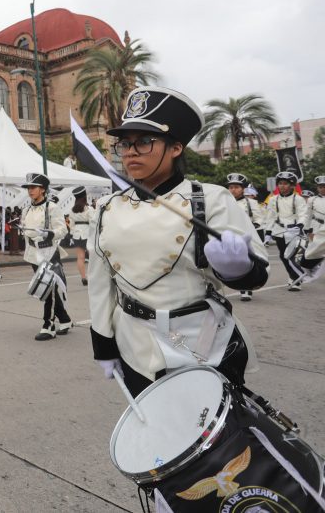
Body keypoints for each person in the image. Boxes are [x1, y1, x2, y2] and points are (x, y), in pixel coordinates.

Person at [88, 86, 269, 397]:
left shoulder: (209, 198)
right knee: (160, 438)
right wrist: (103, 345)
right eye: (125, 143)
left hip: (202, 341)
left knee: (217, 441)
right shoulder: (107, 208)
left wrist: (238, 270)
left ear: (175, 148)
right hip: (135, 344)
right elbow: (101, 282)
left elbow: (256, 273)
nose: (131, 152)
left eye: (144, 142)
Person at [21, 173, 71, 341]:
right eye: (28, 188)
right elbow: (26, 228)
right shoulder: (27, 208)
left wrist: (49, 234)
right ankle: (65, 319)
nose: (30, 191)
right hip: (34, 253)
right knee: (47, 288)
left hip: (49, 252)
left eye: (33, 187)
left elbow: (62, 230)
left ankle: (48, 325)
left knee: (48, 288)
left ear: (42, 189)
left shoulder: (52, 208)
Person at [264, 171, 309, 291]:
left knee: (293, 256)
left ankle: (296, 280)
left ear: (292, 186)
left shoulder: (298, 199)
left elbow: (303, 214)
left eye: (285, 184)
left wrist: (299, 225)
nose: (282, 186)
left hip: (293, 230)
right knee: (283, 256)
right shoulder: (273, 199)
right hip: (279, 231)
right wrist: (268, 233)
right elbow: (270, 217)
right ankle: (292, 276)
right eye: (280, 183)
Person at [226, 173, 265, 301]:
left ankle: (246, 289)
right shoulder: (224, 203)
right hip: (232, 236)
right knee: (237, 263)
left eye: (237, 187)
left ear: (243, 189)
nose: (233, 190)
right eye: (231, 187)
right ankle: (243, 286)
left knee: (249, 262)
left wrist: (254, 224)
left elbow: (259, 218)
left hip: (247, 236)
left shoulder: (251, 203)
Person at [67, 187, 93, 287]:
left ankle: (83, 277)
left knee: (80, 258)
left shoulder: (72, 210)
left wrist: (74, 232)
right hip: (88, 234)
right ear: (84, 197)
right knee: (92, 258)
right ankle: (92, 277)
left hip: (77, 235)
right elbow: (93, 222)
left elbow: (71, 224)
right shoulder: (89, 209)